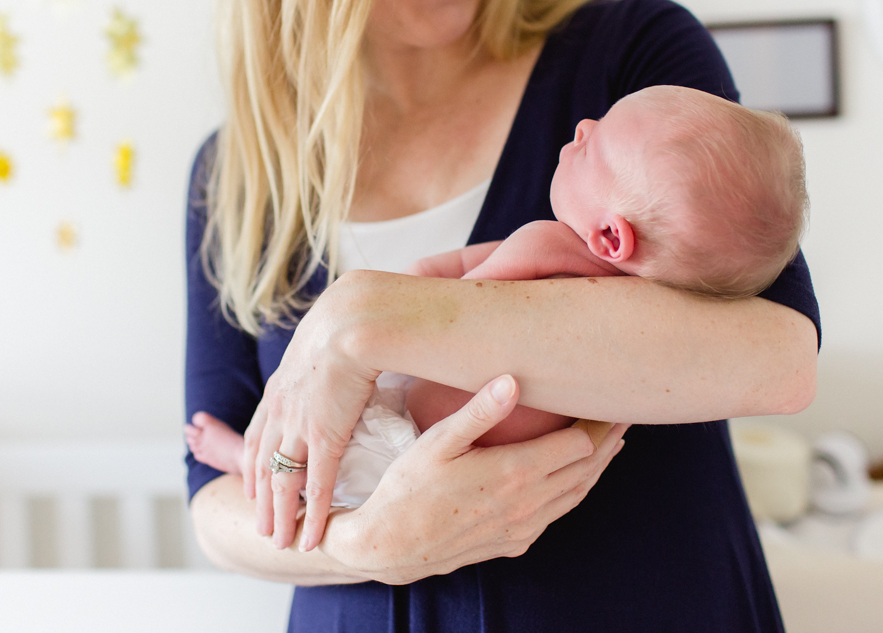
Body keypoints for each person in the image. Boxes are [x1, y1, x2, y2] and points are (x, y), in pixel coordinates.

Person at [185, 0, 820, 631]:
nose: (584, 133)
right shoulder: (239, 171)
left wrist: (358, 319)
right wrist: (364, 542)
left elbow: (781, 360)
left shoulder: (631, 46)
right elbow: (211, 507)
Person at [186, 83, 808, 507]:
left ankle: (245, 458)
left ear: (614, 235)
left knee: (334, 472)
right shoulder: (660, 318)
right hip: (434, 432)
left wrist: (395, 307)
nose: (585, 126)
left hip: (415, 440)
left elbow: (457, 280)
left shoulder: (546, 244)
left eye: (601, 145)